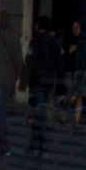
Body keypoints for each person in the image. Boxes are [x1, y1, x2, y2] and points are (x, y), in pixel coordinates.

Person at [23, 16, 62, 155]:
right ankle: (39, 147)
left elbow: (30, 63)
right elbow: (59, 64)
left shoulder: (35, 41)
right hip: (50, 83)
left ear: (38, 26)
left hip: (38, 83)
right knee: (42, 114)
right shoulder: (54, 42)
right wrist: (61, 85)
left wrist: (23, 82)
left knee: (37, 115)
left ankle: (37, 147)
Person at [0, 12, 24, 157]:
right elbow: (18, 59)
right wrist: (17, 78)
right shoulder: (12, 35)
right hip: (7, 79)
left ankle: (3, 144)